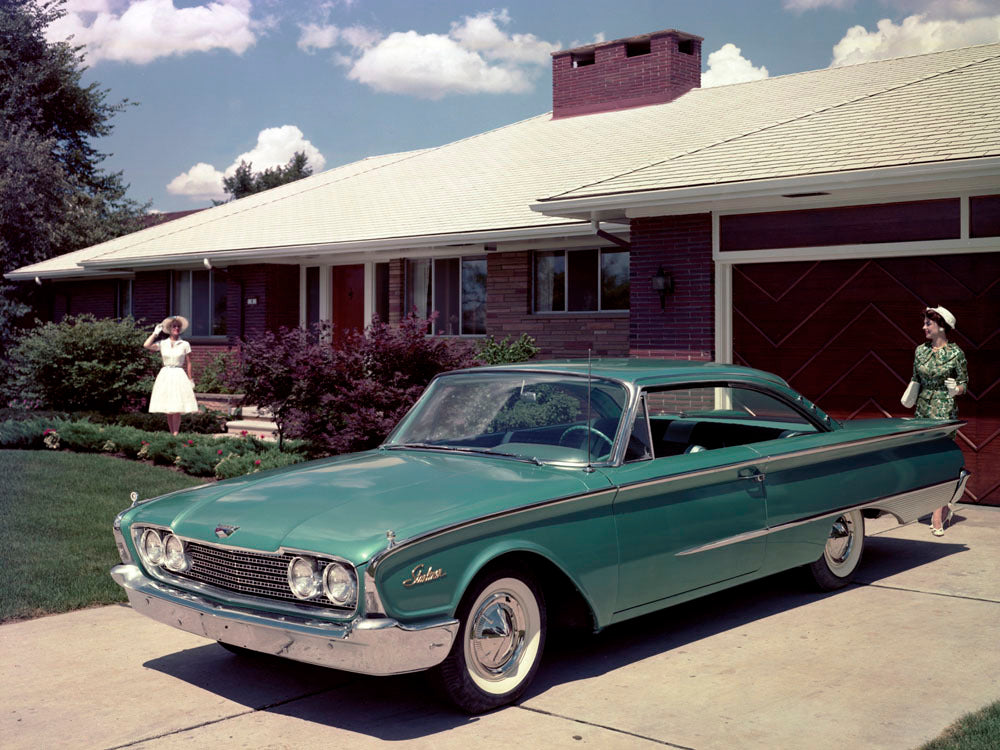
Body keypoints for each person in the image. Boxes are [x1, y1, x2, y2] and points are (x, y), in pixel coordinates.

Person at [901, 305, 968, 536]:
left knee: (940, 459)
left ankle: (937, 513)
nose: (924, 327)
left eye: (928, 323)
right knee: (926, 460)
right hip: (922, 411)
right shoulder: (920, 351)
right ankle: (941, 500)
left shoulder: (956, 353)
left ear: (941, 326)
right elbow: (914, 378)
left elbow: (964, 383)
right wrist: (909, 396)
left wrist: (956, 390)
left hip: (944, 410)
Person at [144, 316, 198, 435]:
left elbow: (189, 363)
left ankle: (176, 434)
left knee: (177, 406)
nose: (176, 328)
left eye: (178, 326)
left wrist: (190, 379)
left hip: (179, 374)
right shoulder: (163, 343)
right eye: (174, 326)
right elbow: (146, 345)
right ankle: (171, 433)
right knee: (169, 407)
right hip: (166, 375)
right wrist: (154, 334)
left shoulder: (185, 344)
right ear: (169, 328)